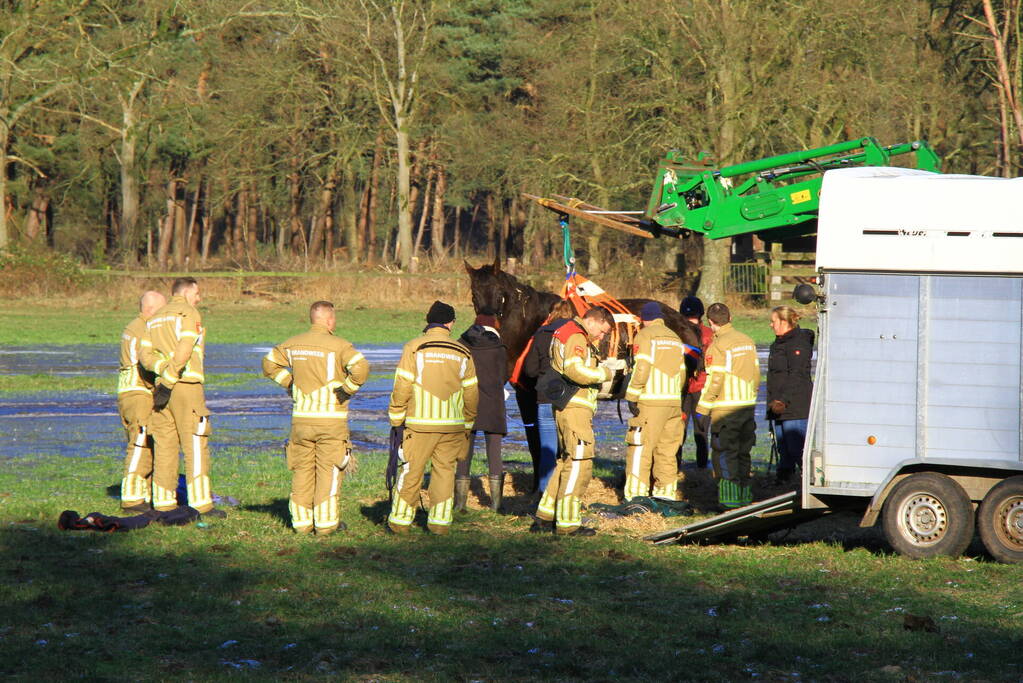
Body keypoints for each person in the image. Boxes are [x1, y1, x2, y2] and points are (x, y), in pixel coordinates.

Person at [262, 301, 370, 534]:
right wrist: (347, 389)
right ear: (330, 320)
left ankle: (301, 524)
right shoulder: (340, 345)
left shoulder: (293, 344)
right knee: (329, 471)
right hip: (330, 422)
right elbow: (361, 368)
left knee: (302, 470)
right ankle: (326, 524)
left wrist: (289, 383)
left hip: (301, 421)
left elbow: (269, 364)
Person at [387, 301, 479, 534]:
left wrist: (396, 418)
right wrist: (467, 424)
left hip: (419, 425)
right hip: (452, 426)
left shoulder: (414, 347)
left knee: (411, 471)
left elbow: (402, 385)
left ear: (429, 322)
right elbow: (471, 393)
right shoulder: (463, 352)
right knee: (444, 473)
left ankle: (400, 522)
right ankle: (439, 524)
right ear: (451, 323)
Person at [533, 306, 621, 536]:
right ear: (592, 321)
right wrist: (605, 374)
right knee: (580, 463)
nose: (601, 336)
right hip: (575, 408)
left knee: (566, 461)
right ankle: (568, 523)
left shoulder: (567, 332)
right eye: (602, 331)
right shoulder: (576, 336)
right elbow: (575, 371)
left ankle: (545, 516)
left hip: (568, 407)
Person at [140, 277, 223, 517]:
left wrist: (162, 371)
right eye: (197, 293)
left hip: (160, 390)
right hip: (185, 385)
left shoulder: (154, 318)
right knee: (195, 442)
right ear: (186, 293)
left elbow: (145, 355)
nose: (199, 298)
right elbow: (185, 347)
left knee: (164, 445)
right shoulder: (189, 312)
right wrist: (171, 375)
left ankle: (163, 503)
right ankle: (201, 504)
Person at [696, 303, 760, 510]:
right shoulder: (748, 341)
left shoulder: (718, 346)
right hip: (747, 406)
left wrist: (702, 409)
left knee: (725, 453)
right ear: (730, 318)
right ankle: (745, 498)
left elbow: (715, 380)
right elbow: (756, 374)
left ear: (710, 322)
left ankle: (729, 502)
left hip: (726, 410)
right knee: (744, 452)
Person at [622, 302, 686, 502]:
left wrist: (632, 395)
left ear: (644, 320)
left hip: (651, 402)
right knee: (667, 451)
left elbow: (642, 368)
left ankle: (635, 497)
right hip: (673, 403)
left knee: (640, 448)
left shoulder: (645, 335)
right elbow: (682, 373)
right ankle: (665, 496)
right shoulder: (675, 338)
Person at [453, 310, 508, 513]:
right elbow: (504, 374)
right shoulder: (499, 347)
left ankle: (460, 503)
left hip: (467, 401)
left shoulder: (461, 345)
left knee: (464, 451)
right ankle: (496, 504)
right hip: (493, 403)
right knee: (494, 451)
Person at [118, 290, 166, 512]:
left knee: (146, 443)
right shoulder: (142, 329)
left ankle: (144, 493)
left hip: (130, 392)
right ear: (150, 309)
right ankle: (132, 498)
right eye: (162, 310)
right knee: (140, 442)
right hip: (139, 393)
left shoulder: (133, 326)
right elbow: (146, 364)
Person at [521, 299, 575, 495]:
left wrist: (544, 375)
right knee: (570, 448)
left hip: (544, 396)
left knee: (547, 449)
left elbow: (530, 369)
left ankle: (544, 493)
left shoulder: (541, 334)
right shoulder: (575, 335)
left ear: (552, 314)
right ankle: (566, 492)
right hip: (569, 398)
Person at [766, 305, 815, 484]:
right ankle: (783, 480)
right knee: (783, 447)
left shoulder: (798, 343)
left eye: (773, 321)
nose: (771, 325)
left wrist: (782, 400)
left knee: (796, 447)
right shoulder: (778, 344)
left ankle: (809, 481)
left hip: (794, 405)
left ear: (784, 322)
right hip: (779, 405)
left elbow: (797, 375)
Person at [678, 295, 713, 469]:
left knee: (679, 429)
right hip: (701, 387)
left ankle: (675, 466)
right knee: (701, 430)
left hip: (683, 388)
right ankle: (702, 466)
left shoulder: (678, 333)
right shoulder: (709, 334)